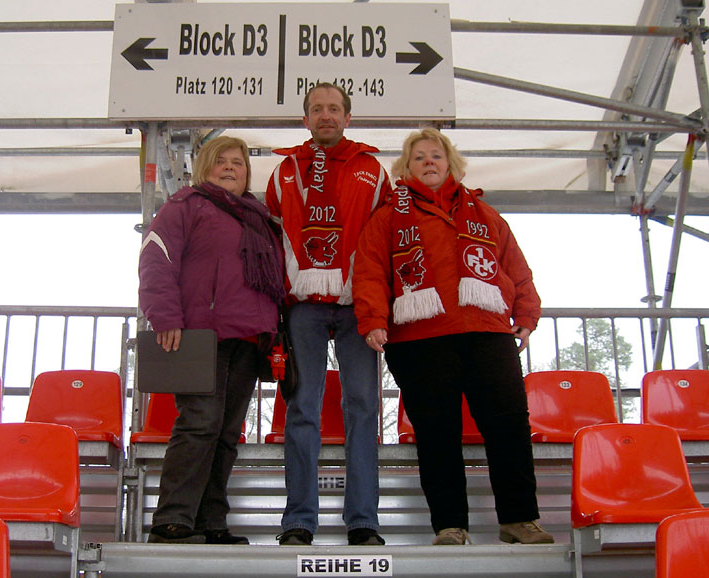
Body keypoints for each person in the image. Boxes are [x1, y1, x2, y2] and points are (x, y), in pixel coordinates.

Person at [352, 128, 554, 546]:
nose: (429, 162)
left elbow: (515, 267)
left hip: (487, 333)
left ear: (451, 165)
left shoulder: (485, 213)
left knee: (509, 427)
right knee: (436, 433)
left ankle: (519, 519)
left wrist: (527, 314)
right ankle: (449, 525)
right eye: (419, 157)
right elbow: (370, 270)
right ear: (406, 168)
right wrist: (372, 318)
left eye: (436, 156)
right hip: (419, 340)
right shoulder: (388, 217)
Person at [139, 136, 284, 545]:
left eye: (237, 162)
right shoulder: (185, 205)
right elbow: (155, 258)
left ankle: (210, 522)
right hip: (200, 334)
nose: (229, 167)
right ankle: (172, 521)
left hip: (250, 338)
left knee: (226, 433)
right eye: (220, 161)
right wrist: (165, 316)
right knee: (200, 424)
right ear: (204, 167)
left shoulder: (261, 217)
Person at [265, 82, 392, 546]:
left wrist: (379, 306)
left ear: (347, 117)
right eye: (316, 109)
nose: (325, 115)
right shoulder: (284, 171)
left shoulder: (372, 170)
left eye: (334, 108)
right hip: (304, 308)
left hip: (358, 305)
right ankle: (299, 520)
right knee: (302, 410)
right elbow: (272, 242)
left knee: (362, 408)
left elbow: (385, 241)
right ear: (305, 119)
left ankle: (363, 522)